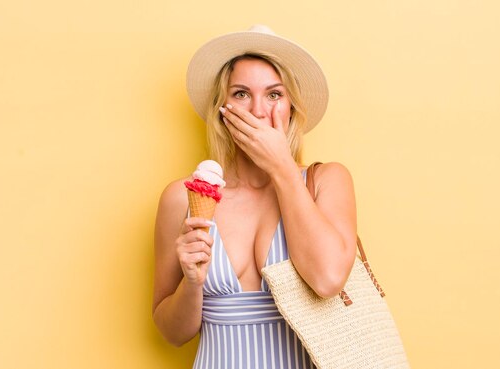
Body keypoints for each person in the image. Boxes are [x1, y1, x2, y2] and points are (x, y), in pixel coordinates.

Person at [152, 25, 358, 369]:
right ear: (222, 108)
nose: (258, 111)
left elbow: (327, 280)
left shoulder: (326, 181)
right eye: (241, 94)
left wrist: (281, 168)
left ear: (292, 107)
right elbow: (173, 333)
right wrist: (192, 283)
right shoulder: (183, 197)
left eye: (274, 94)